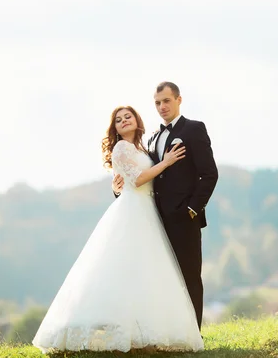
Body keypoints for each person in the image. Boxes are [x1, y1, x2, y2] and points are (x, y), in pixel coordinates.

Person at [32, 106, 204, 353]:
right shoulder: (121, 147)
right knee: (124, 269)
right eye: (118, 120)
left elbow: (130, 179)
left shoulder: (142, 147)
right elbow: (136, 180)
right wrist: (166, 163)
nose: (124, 121)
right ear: (114, 128)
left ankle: (142, 333)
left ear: (137, 120)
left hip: (148, 212)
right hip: (132, 212)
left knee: (145, 273)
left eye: (128, 116)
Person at [113, 81, 218, 330]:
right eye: (157, 103)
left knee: (190, 276)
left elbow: (209, 174)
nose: (162, 107)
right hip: (154, 221)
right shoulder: (151, 139)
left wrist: (193, 209)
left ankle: (194, 334)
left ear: (178, 100)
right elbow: (140, 178)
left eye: (166, 101)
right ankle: (172, 331)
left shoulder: (194, 129)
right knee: (164, 279)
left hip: (184, 219)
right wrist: (118, 189)